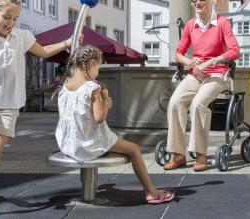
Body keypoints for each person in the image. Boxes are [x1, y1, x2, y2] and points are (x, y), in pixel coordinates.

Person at [0, 0, 83, 218]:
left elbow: (42, 51)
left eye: (15, 18)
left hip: (9, 105)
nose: (10, 23)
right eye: (6, 17)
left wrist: (67, 43)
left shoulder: (21, 36)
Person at [55, 45, 174, 204]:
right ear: (91, 64)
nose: (98, 72)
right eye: (98, 67)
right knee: (134, 150)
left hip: (69, 143)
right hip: (88, 144)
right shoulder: (92, 88)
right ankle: (151, 191)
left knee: (118, 142)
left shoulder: (66, 84)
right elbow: (99, 117)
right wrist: (106, 103)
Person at [164, 0, 240, 172]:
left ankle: (200, 155)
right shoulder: (191, 25)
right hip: (196, 74)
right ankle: (178, 154)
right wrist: (190, 62)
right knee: (175, 102)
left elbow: (234, 51)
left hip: (218, 74)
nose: (198, 2)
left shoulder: (222, 23)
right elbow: (178, 53)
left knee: (198, 104)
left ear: (211, 0)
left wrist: (212, 61)